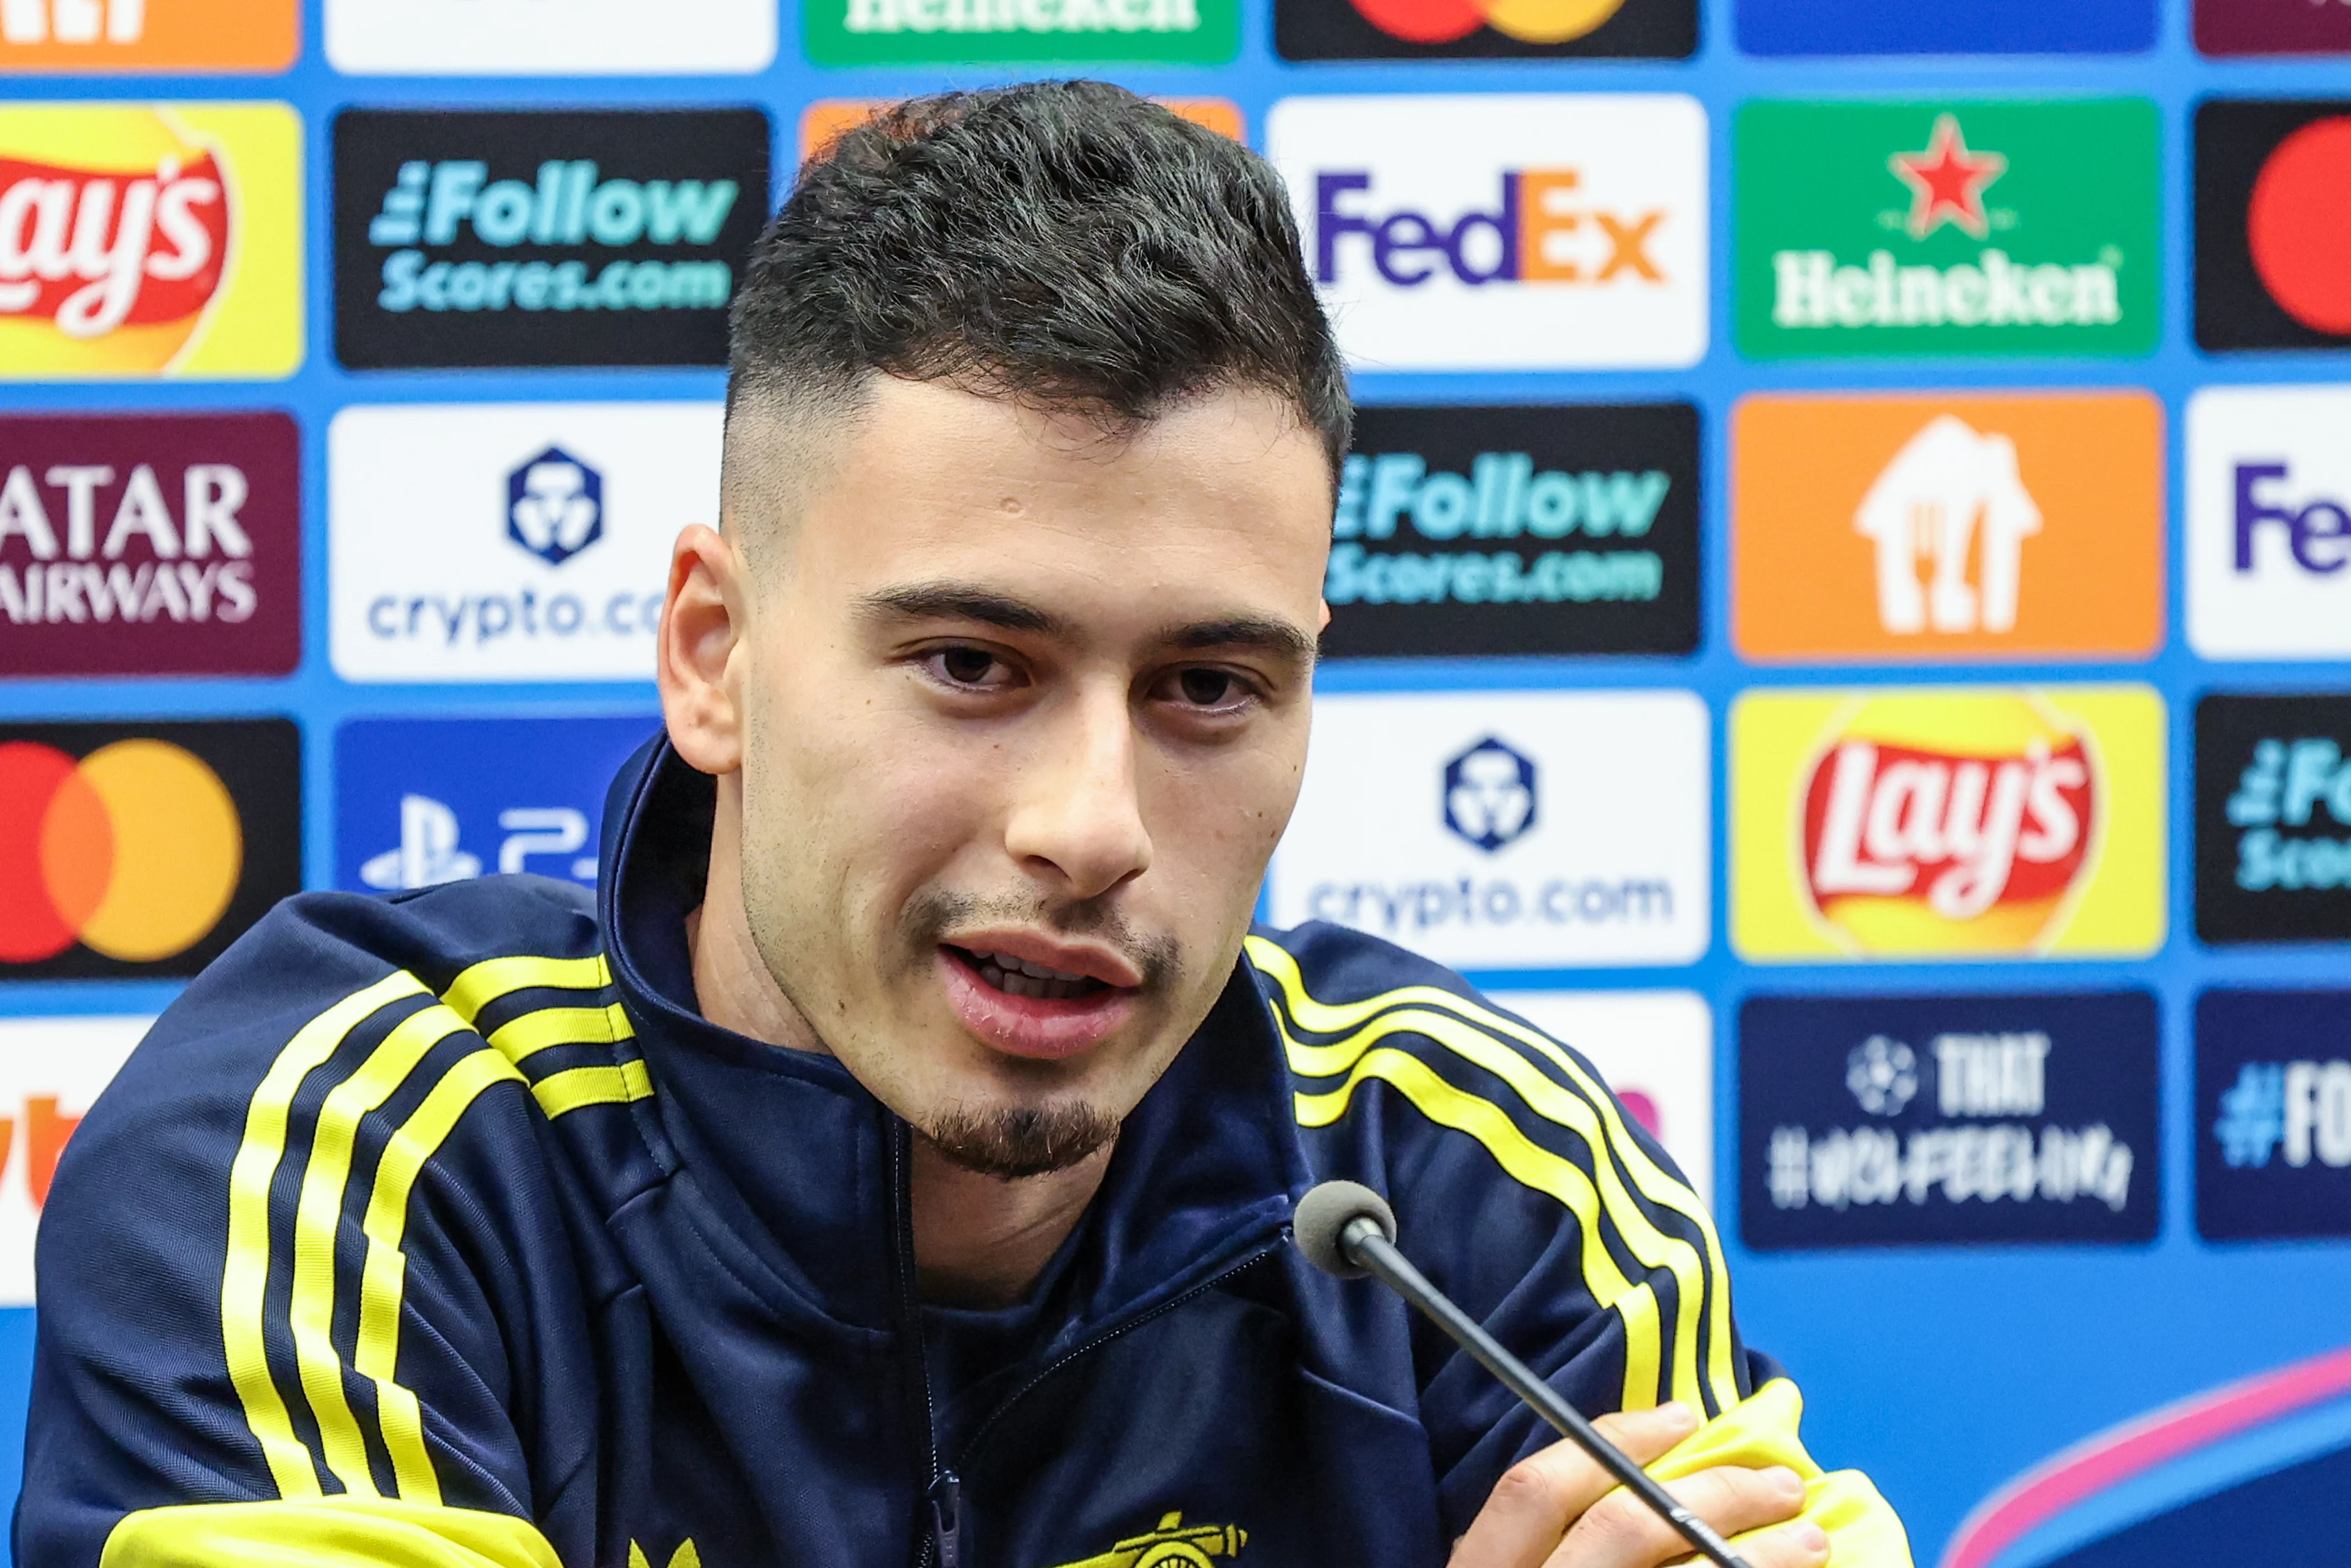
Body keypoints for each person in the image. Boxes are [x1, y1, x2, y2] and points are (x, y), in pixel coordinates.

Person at [17, 83, 1911, 1568]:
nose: (1092, 830)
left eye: (1208, 688)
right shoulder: (342, 1163)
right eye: (972, 666)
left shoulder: (1473, 1182)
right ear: (715, 657)